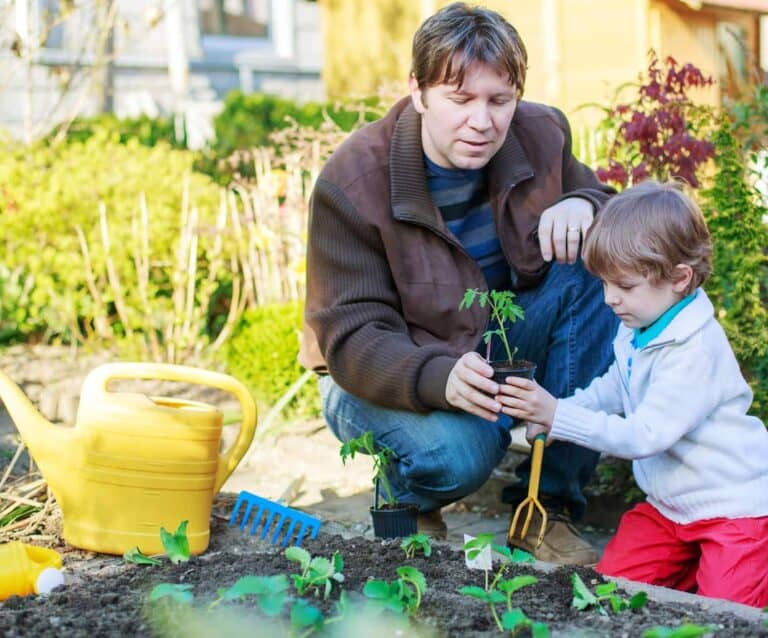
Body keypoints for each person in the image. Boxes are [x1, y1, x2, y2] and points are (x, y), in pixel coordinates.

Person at [300, 2, 619, 564]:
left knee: (595, 275)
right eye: (460, 98)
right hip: (382, 370)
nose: (482, 121)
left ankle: (545, 509)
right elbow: (350, 338)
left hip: (493, 342)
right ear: (419, 92)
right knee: (463, 453)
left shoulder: (541, 135)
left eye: (500, 100)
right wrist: (436, 377)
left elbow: (609, 212)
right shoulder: (352, 182)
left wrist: (583, 203)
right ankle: (407, 495)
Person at [497, 180, 768, 607]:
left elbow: (644, 436)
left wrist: (558, 415)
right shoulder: (640, 327)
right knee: (613, 591)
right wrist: (559, 412)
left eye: (624, 286)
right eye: (604, 284)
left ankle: (734, 567)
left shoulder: (692, 350)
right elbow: (614, 387)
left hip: (732, 512)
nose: (609, 299)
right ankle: (694, 569)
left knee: (727, 612)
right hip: (669, 509)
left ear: (680, 278)